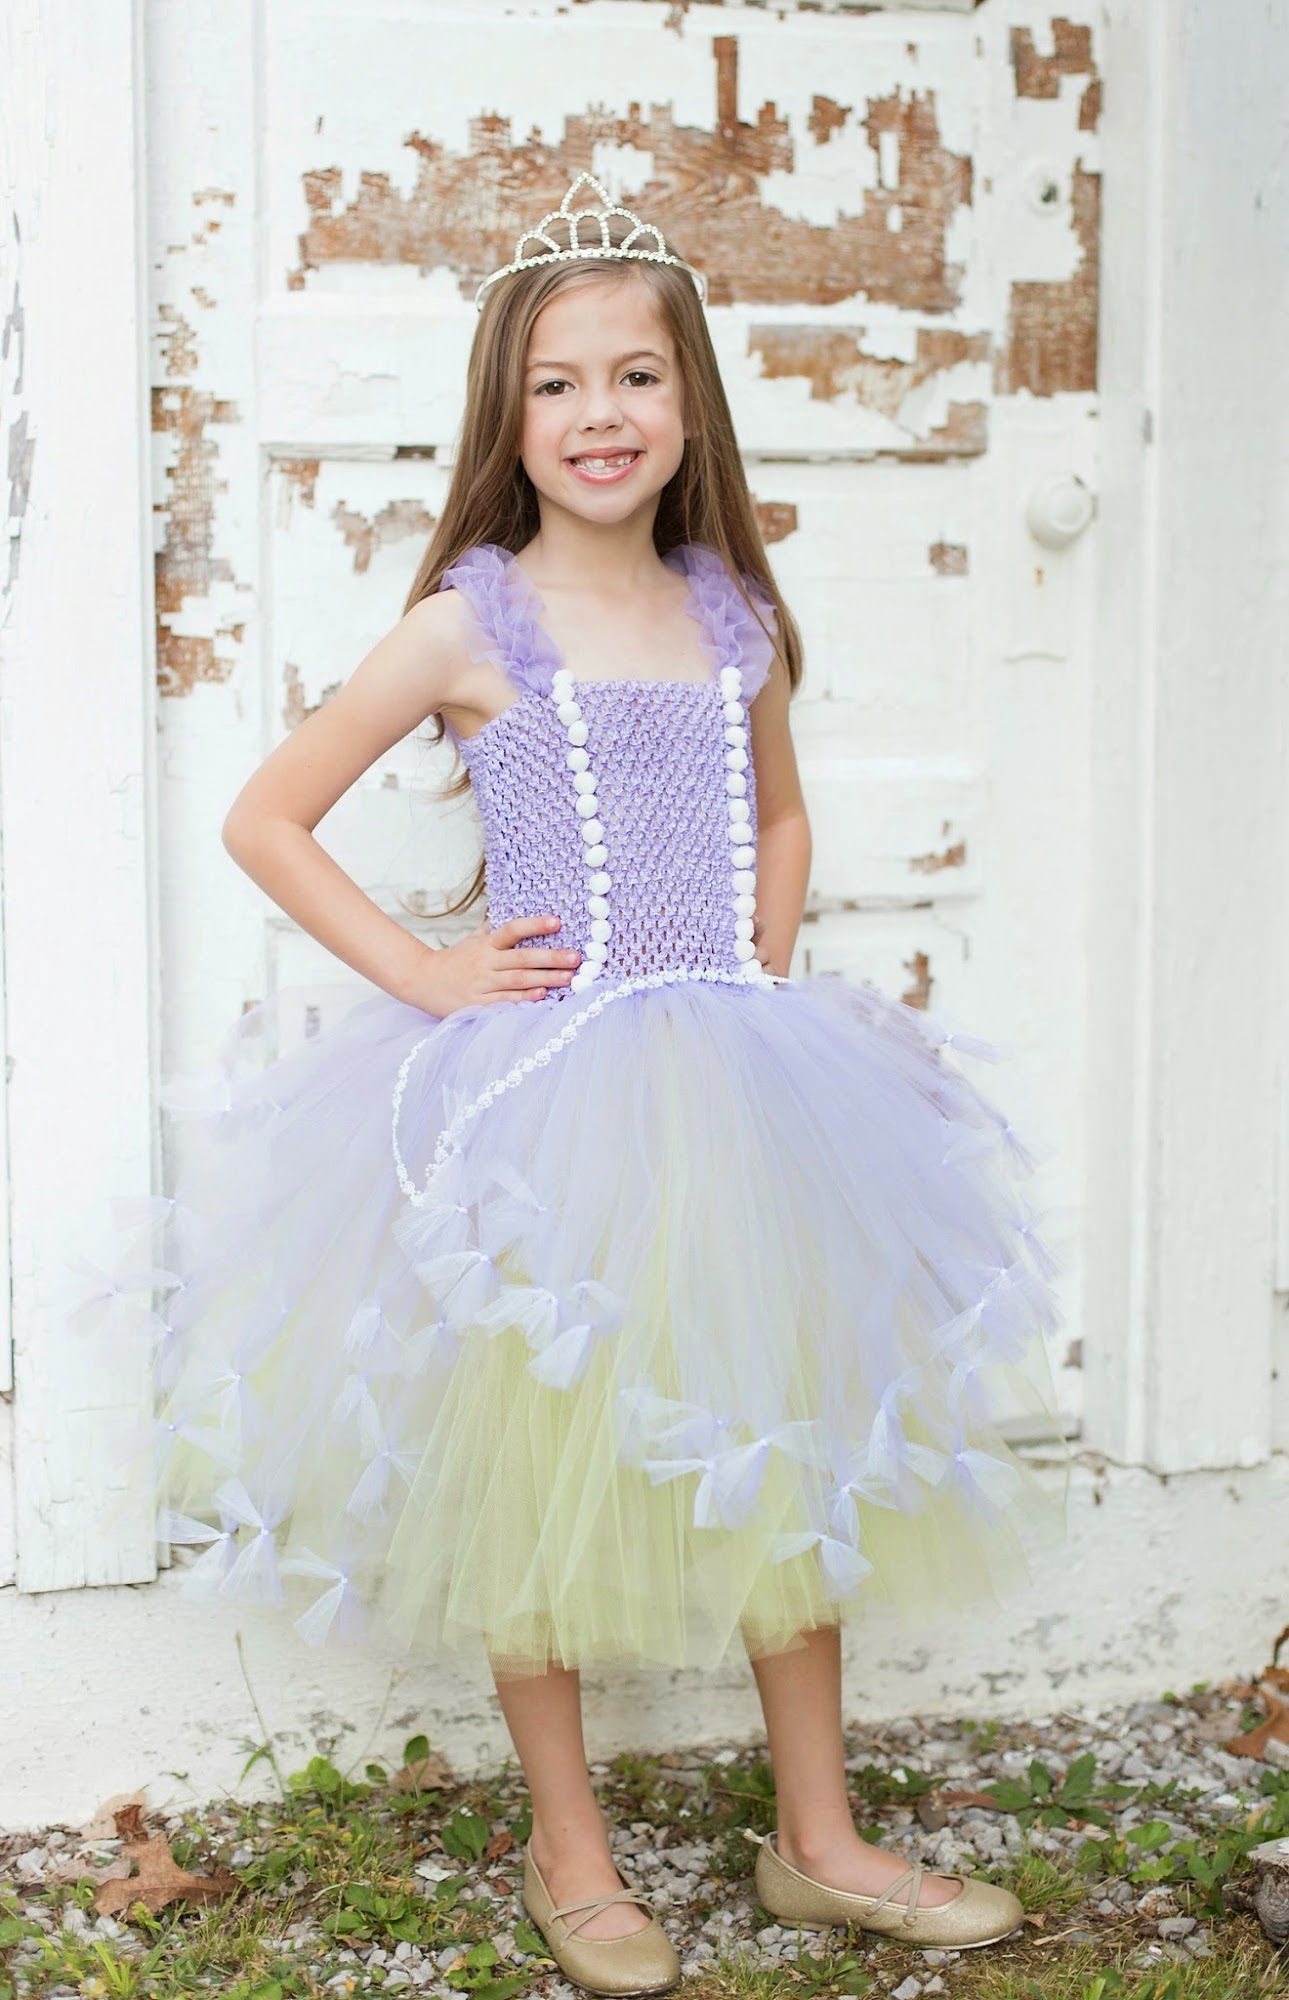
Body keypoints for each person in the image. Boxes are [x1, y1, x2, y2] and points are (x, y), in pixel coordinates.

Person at [137, 175, 1063, 1990]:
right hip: (551, 1097)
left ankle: (817, 1840)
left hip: (737, 1089)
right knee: (539, 1453)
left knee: (783, 1431)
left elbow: (776, 812)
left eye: (636, 376)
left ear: (691, 401)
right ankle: (571, 1849)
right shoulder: (469, 625)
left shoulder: (731, 614)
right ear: (506, 418)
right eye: (554, 386)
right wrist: (426, 972)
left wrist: (758, 977)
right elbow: (268, 815)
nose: (600, 415)